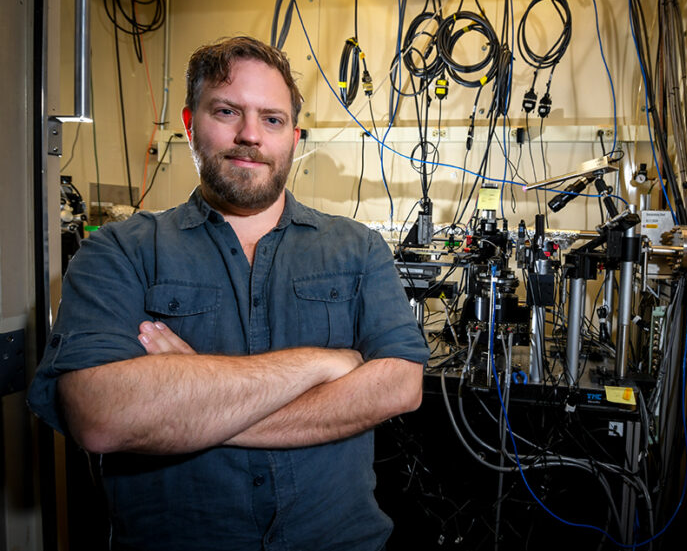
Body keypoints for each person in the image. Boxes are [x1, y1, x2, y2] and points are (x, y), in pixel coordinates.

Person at [27, 36, 429, 551]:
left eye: (272, 119)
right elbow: (101, 417)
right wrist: (319, 365)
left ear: (295, 138)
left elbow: (399, 386)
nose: (250, 135)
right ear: (190, 124)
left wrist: (189, 404)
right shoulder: (118, 252)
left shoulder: (357, 249)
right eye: (227, 111)